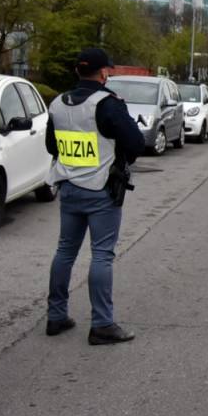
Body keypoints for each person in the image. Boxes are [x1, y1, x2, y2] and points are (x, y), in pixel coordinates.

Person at [44, 47, 146, 345]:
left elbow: (52, 147)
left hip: (68, 186)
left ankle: (56, 316)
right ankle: (102, 324)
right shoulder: (108, 104)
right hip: (101, 189)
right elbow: (136, 143)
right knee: (102, 254)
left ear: (77, 71)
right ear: (104, 73)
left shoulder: (58, 104)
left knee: (65, 251)